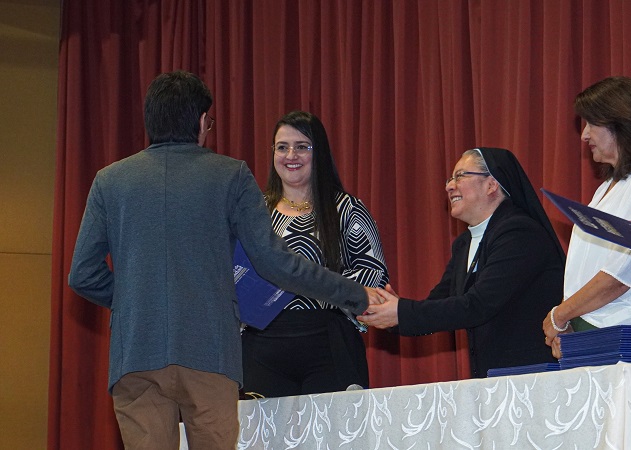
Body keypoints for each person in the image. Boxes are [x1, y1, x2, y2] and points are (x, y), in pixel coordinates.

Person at [68, 71, 377, 450]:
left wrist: (137, 303)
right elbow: (276, 263)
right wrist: (354, 293)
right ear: (201, 122)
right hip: (209, 353)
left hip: (136, 354)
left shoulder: (108, 181)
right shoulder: (231, 175)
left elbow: (83, 275)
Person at [359, 147, 565, 378]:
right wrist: (389, 311)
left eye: (460, 176)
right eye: (450, 178)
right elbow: (441, 302)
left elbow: (478, 305)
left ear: (491, 184)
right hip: (493, 380)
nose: (449, 185)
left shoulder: (519, 232)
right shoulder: (465, 243)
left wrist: (402, 312)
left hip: (533, 376)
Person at [241, 111, 389, 397]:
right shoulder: (253, 214)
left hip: (330, 344)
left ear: (318, 152)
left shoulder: (348, 210)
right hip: (261, 348)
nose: (291, 155)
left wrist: (316, 289)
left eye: (302, 146)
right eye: (282, 147)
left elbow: (374, 277)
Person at [542, 77, 631, 358]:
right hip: (593, 328)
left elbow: (623, 275)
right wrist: (567, 324)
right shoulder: (606, 188)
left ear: (622, 123)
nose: (584, 135)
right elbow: (588, 270)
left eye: (592, 123)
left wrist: (560, 315)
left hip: (624, 333)